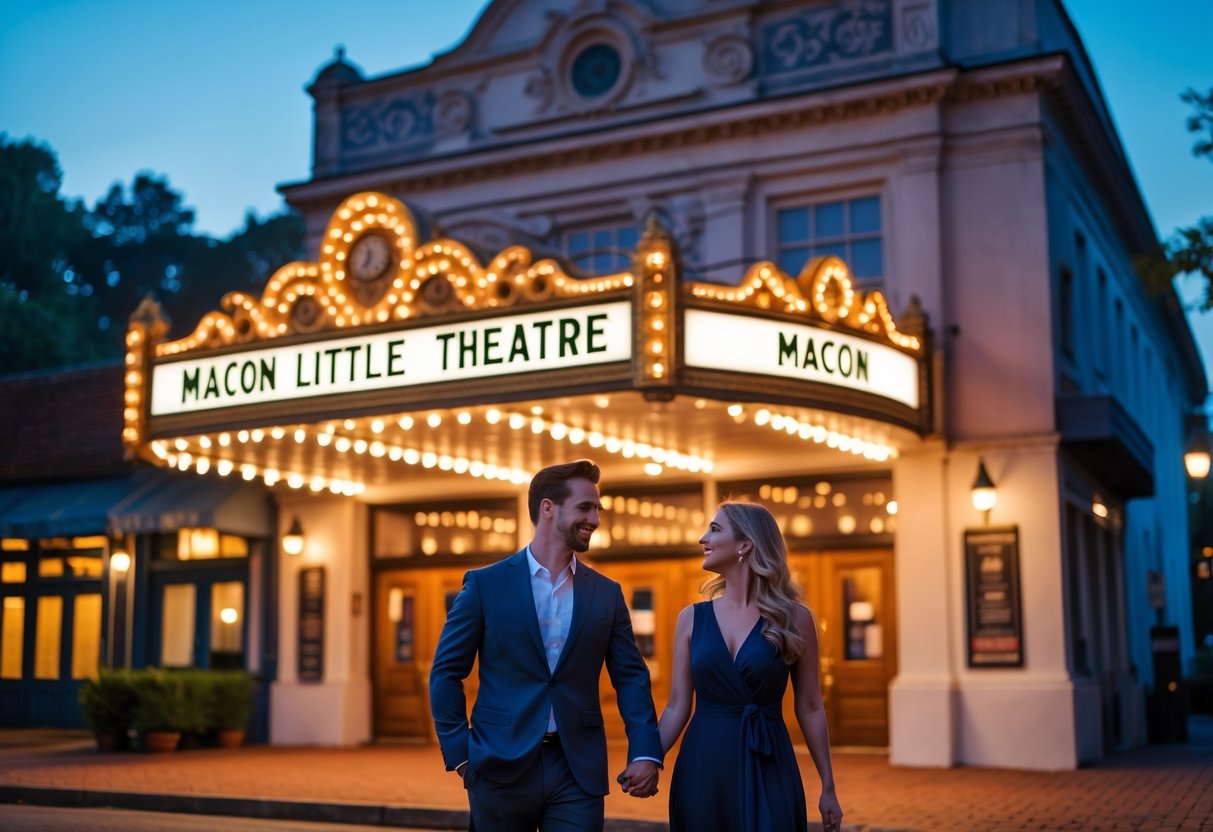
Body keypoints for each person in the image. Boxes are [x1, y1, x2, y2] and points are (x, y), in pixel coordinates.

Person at [429, 459, 663, 832]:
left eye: (597, 509)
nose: (596, 519)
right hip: (498, 765)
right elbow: (445, 672)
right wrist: (461, 755)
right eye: (585, 507)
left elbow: (631, 677)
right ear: (548, 508)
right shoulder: (485, 585)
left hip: (576, 768)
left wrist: (646, 751)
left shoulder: (606, 594)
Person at [659, 500, 843, 832]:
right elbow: (676, 706)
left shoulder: (795, 619)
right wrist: (647, 758)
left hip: (768, 760)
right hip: (704, 764)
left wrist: (828, 784)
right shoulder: (690, 619)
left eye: (714, 529)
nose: (703, 538)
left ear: (745, 544)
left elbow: (811, 706)